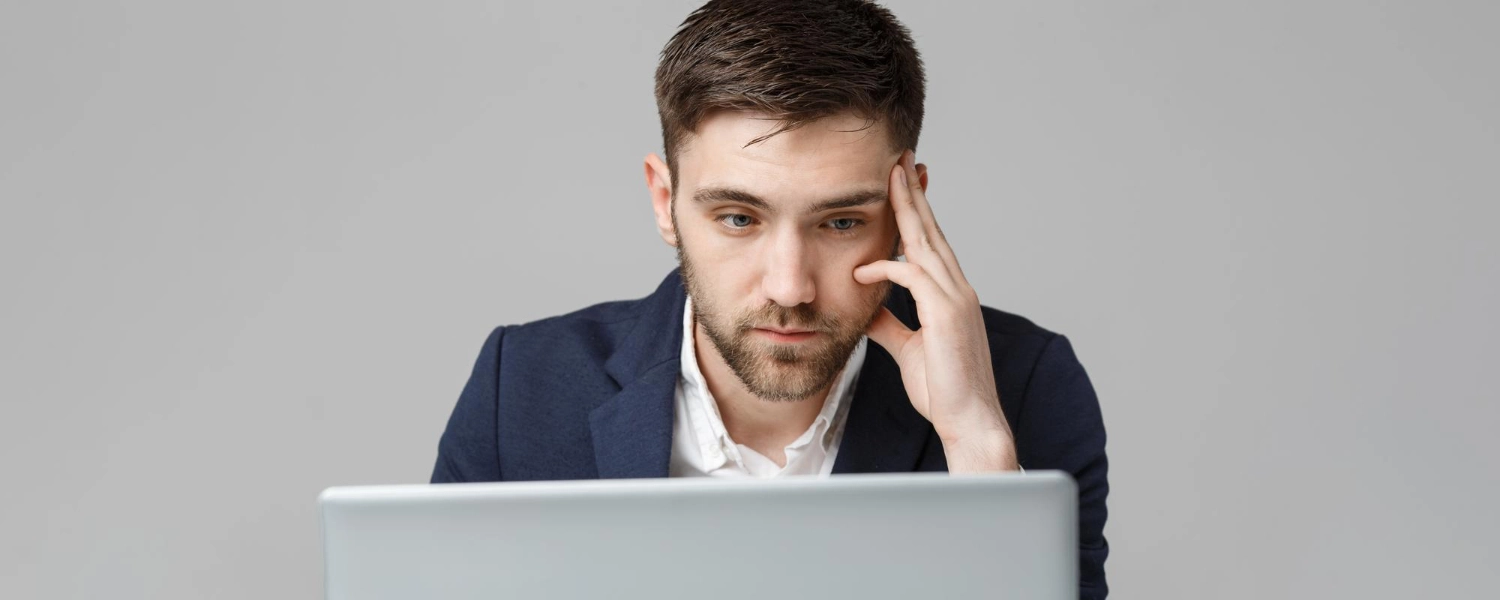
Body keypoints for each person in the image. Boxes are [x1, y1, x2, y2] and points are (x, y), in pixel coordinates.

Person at [431, 0, 1109, 596]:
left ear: (908, 213)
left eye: (841, 223)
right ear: (665, 202)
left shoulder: (1025, 391)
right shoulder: (520, 387)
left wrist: (977, 449)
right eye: (738, 218)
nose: (790, 286)